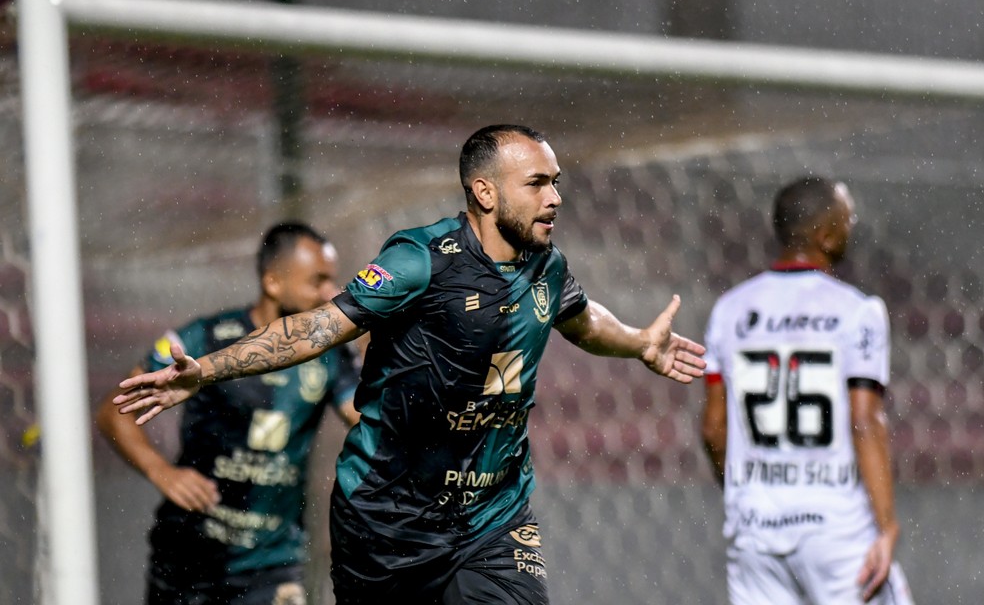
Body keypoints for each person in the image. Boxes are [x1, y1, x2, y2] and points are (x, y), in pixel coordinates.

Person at [114, 124, 707, 605]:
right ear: (485, 192)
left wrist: (637, 342)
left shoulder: (545, 263)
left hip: (492, 513)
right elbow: (318, 327)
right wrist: (208, 370)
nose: (555, 198)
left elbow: (579, 317)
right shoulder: (419, 260)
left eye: (556, 182)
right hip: (384, 518)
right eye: (537, 183)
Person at [96, 221, 361, 605]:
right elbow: (112, 412)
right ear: (273, 283)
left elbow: (365, 417)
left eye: (331, 281)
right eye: (317, 281)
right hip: (191, 554)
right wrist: (162, 472)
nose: (329, 292)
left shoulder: (331, 353)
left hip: (273, 562)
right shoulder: (206, 339)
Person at [700, 177, 913, 604]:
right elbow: (865, 419)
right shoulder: (857, 311)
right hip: (836, 530)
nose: (852, 224)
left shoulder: (731, 310)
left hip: (756, 530)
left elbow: (713, 429)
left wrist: (749, 496)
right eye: (846, 216)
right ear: (826, 233)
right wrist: (886, 525)